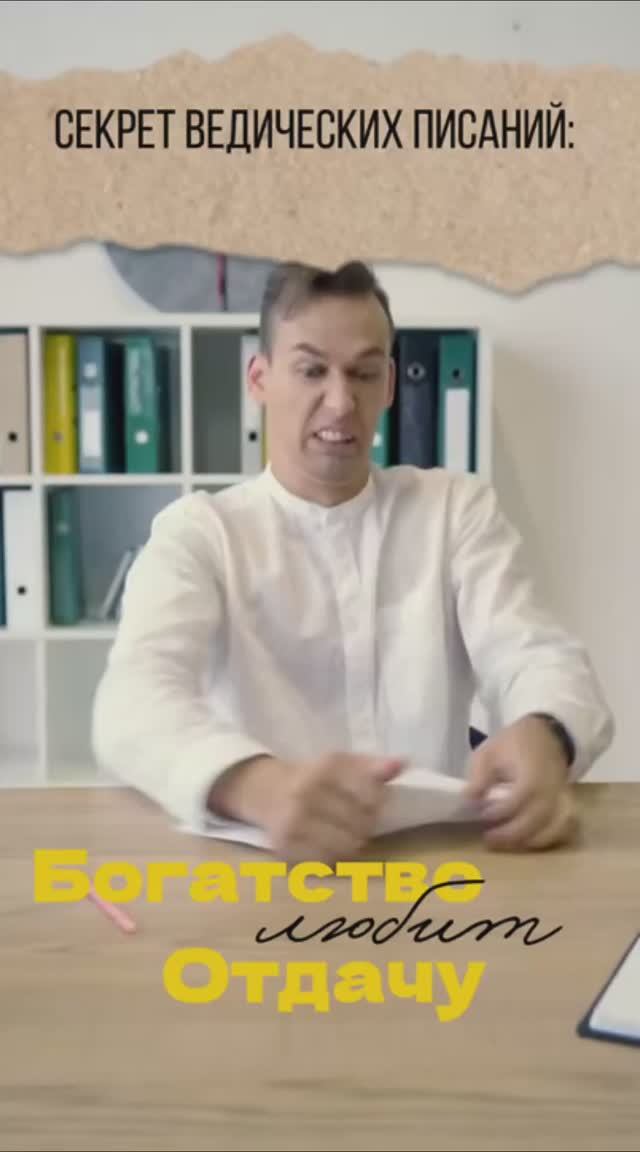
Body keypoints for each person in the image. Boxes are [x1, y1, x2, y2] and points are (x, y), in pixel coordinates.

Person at [91, 260, 614, 863]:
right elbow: (132, 701)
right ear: (259, 379)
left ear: (389, 385)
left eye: (363, 374)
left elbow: (535, 653)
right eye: (312, 370)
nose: (341, 403)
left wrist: (547, 733)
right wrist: (257, 786)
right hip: (263, 868)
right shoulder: (200, 532)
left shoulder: (455, 510)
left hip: (438, 866)